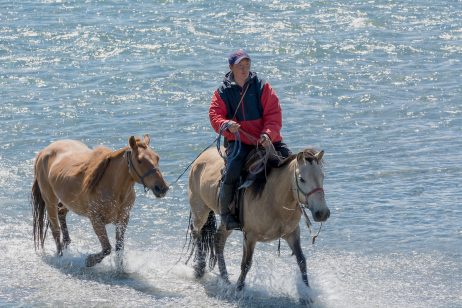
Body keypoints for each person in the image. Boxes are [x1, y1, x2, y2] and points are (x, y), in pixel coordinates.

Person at [209, 49, 292, 230]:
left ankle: (296, 208)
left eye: (247, 65)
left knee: (294, 165)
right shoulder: (222, 92)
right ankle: (226, 215)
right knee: (231, 172)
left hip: (268, 140)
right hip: (240, 143)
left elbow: (274, 114)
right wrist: (226, 124)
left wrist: (267, 134)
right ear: (231, 67)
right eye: (240, 66)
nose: (245, 69)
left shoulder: (262, 87)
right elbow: (215, 115)